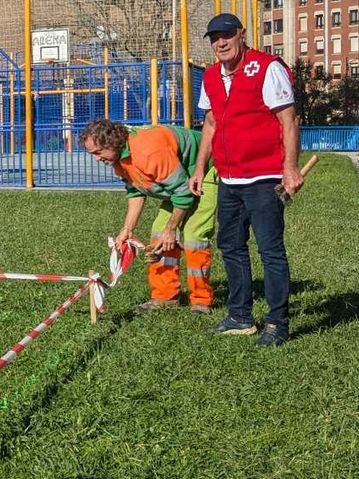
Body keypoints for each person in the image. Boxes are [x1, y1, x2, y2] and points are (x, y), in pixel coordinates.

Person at [188, 12, 303, 346]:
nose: (220, 42)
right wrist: (199, 169)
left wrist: (290, 168)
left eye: (226, 35)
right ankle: (240, 315)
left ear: (242, 34)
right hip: (229, 178)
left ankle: (276, 323)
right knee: (231, 245)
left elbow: (289, 120)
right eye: (214, 38)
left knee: (270, 250)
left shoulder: (266, 67)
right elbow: (210, 124)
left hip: (265, 177)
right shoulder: (210, 76)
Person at [81, 119, 218, 314]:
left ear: (112, 143)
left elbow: (183, 193)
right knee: (158, 236)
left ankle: (201, 301)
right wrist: (127, 230)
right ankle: (164, 296)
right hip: (180, 182)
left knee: (194, 237)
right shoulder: (120, 159)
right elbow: (136, 192)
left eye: (98, 152)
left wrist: (171, 230)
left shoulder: (148, 151)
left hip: (204, 170)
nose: (96, 159)